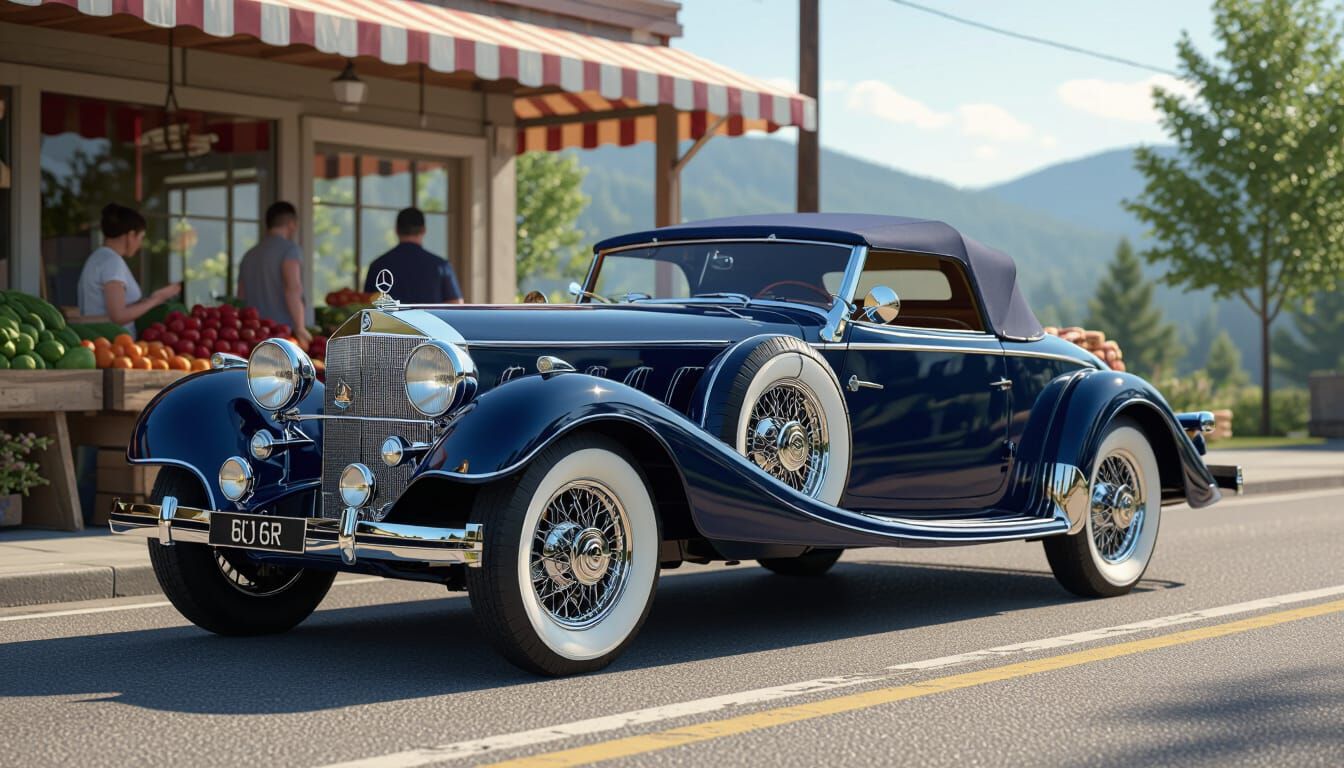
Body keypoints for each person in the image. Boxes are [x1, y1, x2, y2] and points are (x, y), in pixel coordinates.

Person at [77, 203, 181, 335]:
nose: (141, 244)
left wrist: (151, 298)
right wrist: (157, 300)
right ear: (131, 235)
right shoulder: (112, 262)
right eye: (141, 237)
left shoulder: (97, 258)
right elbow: (118, 316)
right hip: (114, 346)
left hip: (101, 343)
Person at [237, 201, 311, 345]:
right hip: (283, 334)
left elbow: (241, 296)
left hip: (254, 334)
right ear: (291, 223)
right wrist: (300, 328)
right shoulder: (289, 250)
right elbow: (293, 289)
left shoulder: (249, 255)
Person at [362, 207, 464, 304]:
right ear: (424, 230)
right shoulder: (441, 266)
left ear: (396, 230)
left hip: (390, 322)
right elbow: (456, 304)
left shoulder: (377, 266)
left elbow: (367, 305)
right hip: (427, 322)